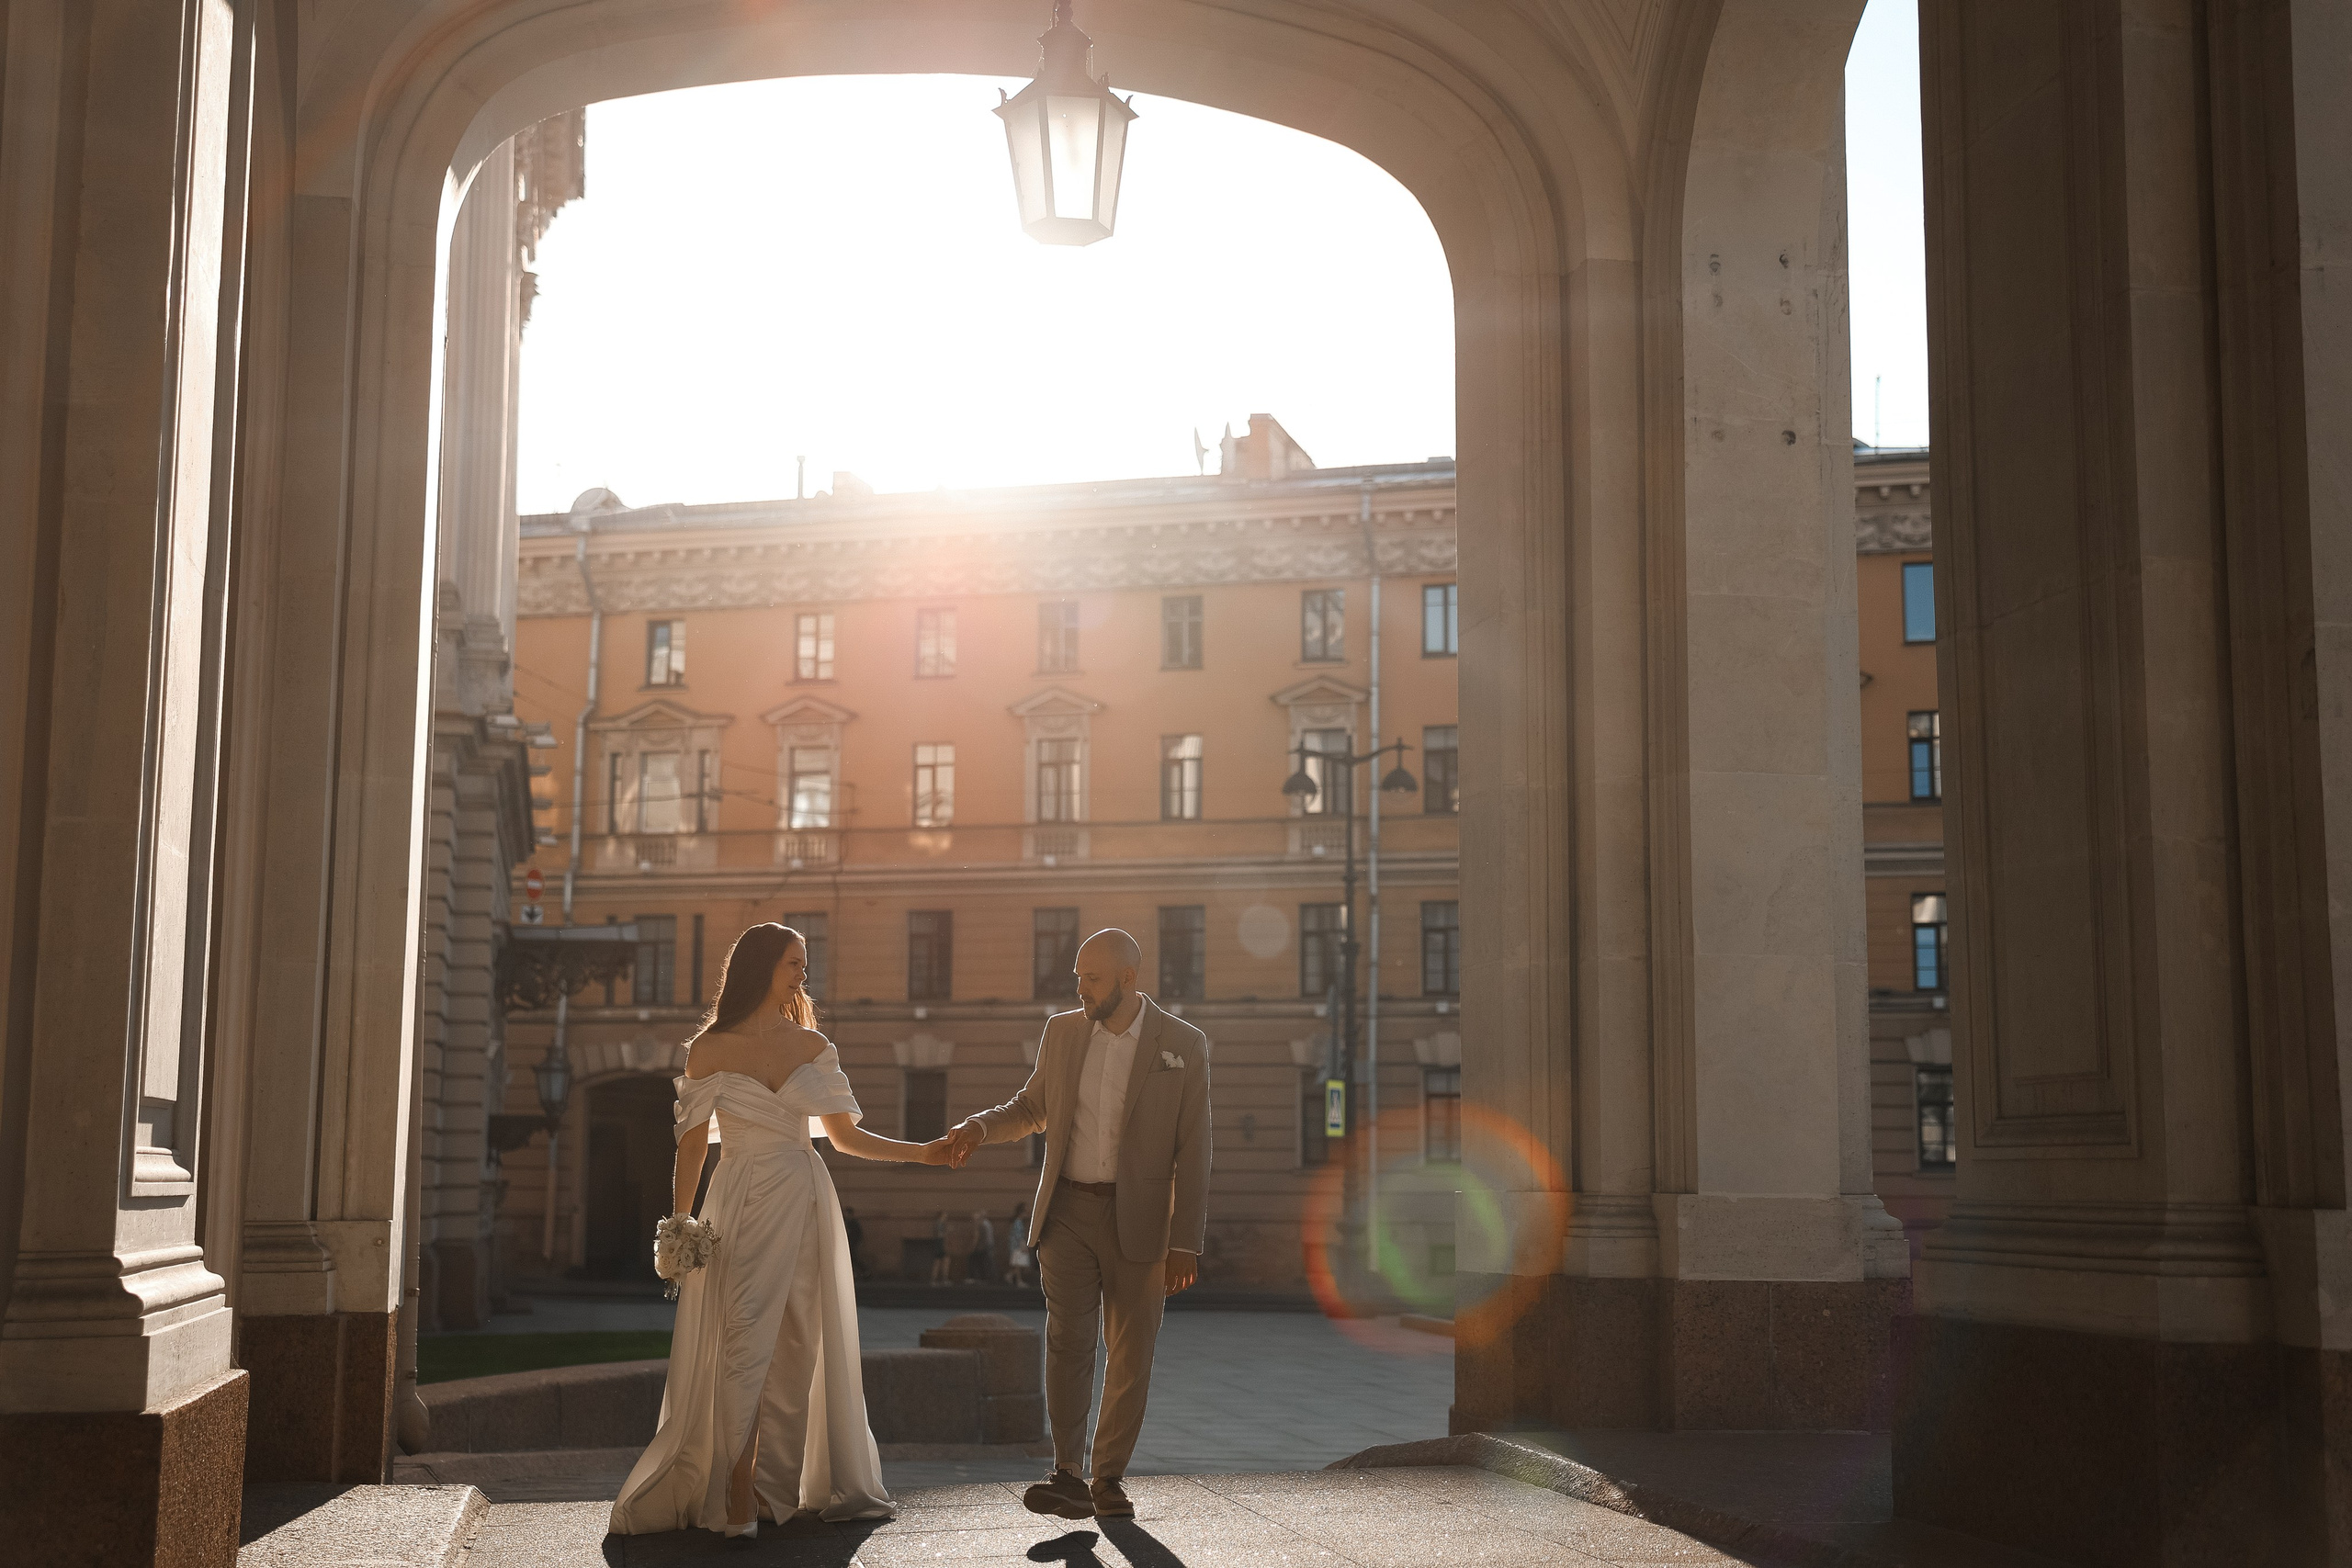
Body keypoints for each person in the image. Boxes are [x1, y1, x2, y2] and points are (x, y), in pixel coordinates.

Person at [609, 923, 956, 1539]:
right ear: (759, 967)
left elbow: (846, 1138)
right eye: (793, 962)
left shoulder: (813, 1044)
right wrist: (680, 1223)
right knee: (744, 1337)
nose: (802, 973)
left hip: (803, 1196)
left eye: (805, 963)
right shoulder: (709, 1047)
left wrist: (923, 1154)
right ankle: (736, 1487)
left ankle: (774, 1489)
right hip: (738, 1197)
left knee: (797, 1342)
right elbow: (691, 1148)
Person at [942, 928, 1211, 1522]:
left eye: (1092, 977)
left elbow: (1193, 1149)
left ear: (1127, 979)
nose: (1080, 987)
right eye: (1077, 976)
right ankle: (1066, 1471)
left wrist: (1185, 1239)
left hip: (1141, 1220)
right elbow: (1031, 1105)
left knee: (1130, 1350)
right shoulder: (1061, 1033)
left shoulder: (1183, 1044)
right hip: (1065, 1210)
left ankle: (1106, 1476)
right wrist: (980, 1127)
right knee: (1067, 1339)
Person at [1006, 1200, 1034, 1290]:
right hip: (1017, 1247)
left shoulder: (1017, 1222)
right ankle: (1018, 1280)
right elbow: (1019, 1236)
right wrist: (1023, 1246)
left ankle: (1010, 1276)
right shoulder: (1018, 1223)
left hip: (1015, 1246)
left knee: (1018, 1264)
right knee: (1019, 1264)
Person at [967, 1208, 997, 1283]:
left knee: (975, 1260)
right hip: (989, 1245)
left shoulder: (981, 1224)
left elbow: (977, 1237)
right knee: (986, 1262)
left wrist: (973, 1247)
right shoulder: (988, 1223)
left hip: (983, 1246)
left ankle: (976, 1277)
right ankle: (988, 1278)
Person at [842, 1206, 867, 1280]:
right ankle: (859, 1272)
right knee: (852, 1259)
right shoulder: (847, 1222)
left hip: (852, 1244)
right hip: (849, 1244)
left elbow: (857, 1235)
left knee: (854, 1259)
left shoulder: (854, 1224)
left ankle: (863, 1271)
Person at [929, 1209, 952, 1285]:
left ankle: (936, 1279)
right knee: (942, 1261)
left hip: (939, 1243)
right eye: (945, 1214)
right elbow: (939, 1234)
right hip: (940, 1243)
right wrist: (947, 1232)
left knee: (940, 1261)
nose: (946, 1216)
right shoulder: (939, 1223)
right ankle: (941, 1279)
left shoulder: (939, 1223)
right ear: (942, 1215)